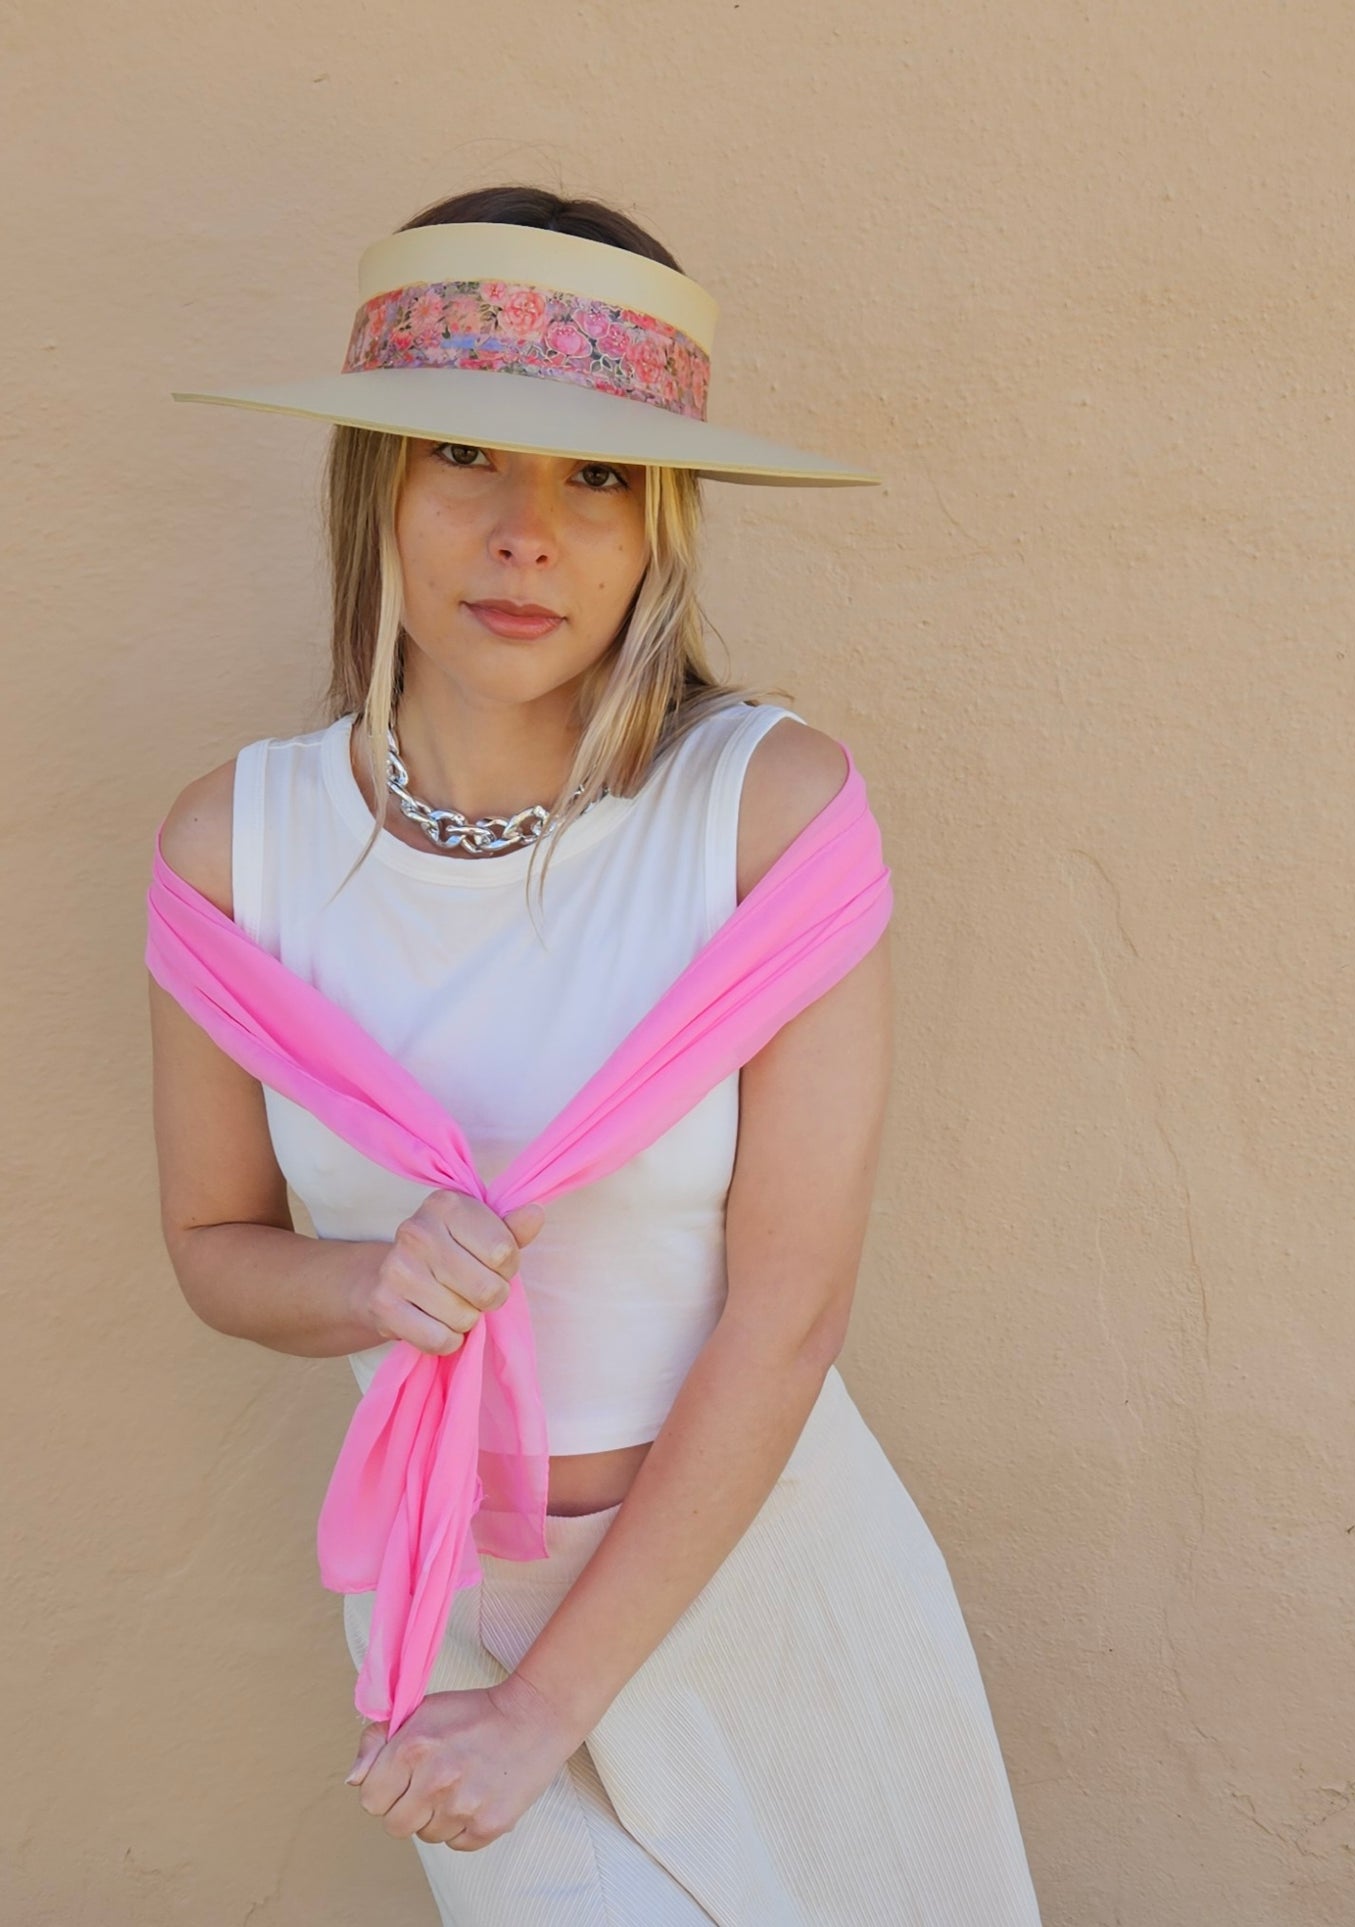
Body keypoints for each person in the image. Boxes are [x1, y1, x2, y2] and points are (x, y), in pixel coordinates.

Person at [148, 183, 1044, 1925]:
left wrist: (541, 1711)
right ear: (373, 486)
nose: (524, 534)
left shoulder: (763, 821)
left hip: (768, 1590)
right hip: (444, 1605)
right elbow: (211, 1247)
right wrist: (366, 1284)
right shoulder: (230, 853)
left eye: (597, 478)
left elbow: (787, 1314)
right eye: (465, 457)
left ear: (661, 529)